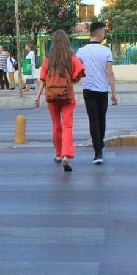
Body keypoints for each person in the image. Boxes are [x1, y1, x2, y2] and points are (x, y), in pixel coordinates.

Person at [34, 30, 85, 172]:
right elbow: (79, 74)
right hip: (67, 96)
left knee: (56, 125)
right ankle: (66, 155)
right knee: (67, 126)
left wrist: (37, 96)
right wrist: (71, 80)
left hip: (51, 97)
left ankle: (58, 153)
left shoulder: (47, 59)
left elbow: (42, 80)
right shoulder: (71, 57)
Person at [76, 22, 117, 165]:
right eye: (104, 33)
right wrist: (114, 93)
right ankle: (100, 143)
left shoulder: (81, 51)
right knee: (102, 118)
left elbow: (77, 72)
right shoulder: (106, 51)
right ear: (100, 35)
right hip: (103, 90)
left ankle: (97, 151)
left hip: (88, 90)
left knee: (92, 120)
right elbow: (110, 73)